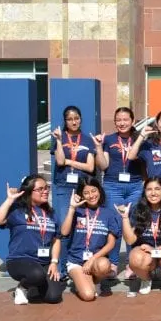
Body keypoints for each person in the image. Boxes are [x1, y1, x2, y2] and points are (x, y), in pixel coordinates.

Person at [0, 174, 64, 305]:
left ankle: (34, 286)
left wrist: (54, 262)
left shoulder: (51, 213)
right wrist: (9, 200)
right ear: (29, 192)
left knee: (53, 297)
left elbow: (56, 239)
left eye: (47, 188)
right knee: (36, 275)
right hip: (20, 260)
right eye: (40, 189)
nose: (46, 191)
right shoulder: (18, 210)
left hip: (43, 262)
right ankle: (22, 287)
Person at [93, 107, 145, 274]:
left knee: (132, 223)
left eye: (126, 120)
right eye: (119, 120)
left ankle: (131, 264)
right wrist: (99, 148)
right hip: (112, 186)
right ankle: (114, 263)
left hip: (135, 186)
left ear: (133, 121)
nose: (122, 123)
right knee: (114, 224)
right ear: (115, 122)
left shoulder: (140, 139)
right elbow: (103, 165)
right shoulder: (108, 139)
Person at [121, 178, 161, 296]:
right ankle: (146, 278)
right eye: (149, 189)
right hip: (145, 251)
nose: (153, 193)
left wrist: (156, 250)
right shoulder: (138, 209)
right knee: (135, 260)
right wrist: (125, 218)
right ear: (144, 192)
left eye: (157, 189)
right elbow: (130, 240)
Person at [50, 105, 95, 274]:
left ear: (81, 119)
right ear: (65, 121)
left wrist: (70, 162)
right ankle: (61, 269)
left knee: (83, 226)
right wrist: (60, 141)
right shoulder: (59, 138)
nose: (73, 121)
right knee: (64, 227)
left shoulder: (88, 140)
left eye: (76, 118)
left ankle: (78, 264)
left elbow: (90, 167)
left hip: (83, 188)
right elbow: (60, 161)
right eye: (70, 119)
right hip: (64, 187)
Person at [60, 177, 121, 301]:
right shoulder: (77, 211)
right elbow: (64, 232)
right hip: (76, 261)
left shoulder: (108, 213)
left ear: (99, 191)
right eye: (86, 193)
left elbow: (111, 243)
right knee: (88, 295)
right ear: (81, 195)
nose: (91, 195)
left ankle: (94, 281)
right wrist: (71, 208)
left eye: (94, 191)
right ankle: (83, 281)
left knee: (104, 265)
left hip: (96, 260)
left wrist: (92, 259)